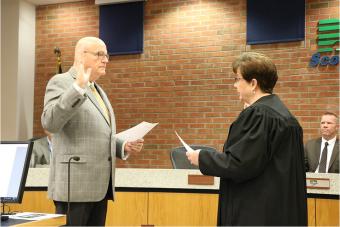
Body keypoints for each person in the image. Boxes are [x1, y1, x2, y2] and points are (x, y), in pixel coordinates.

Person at [186, 52, 307, 225]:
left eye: (237, 79)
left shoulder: (259, 114)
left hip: (255, 212)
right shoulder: (285, 116)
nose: (235, 85)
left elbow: (240, 164)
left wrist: (201, 158)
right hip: (280, 212)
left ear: (253, 83)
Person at [41, 37, 144, 226]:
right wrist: (77, 88)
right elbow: (50, 122)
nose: (106, 60)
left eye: (107, 55)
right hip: (75, 188)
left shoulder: (98, 89)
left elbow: (97, 134)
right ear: (81, 56)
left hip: (99, 187)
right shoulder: (62, 82)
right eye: (100, 54)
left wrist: (123, 145)